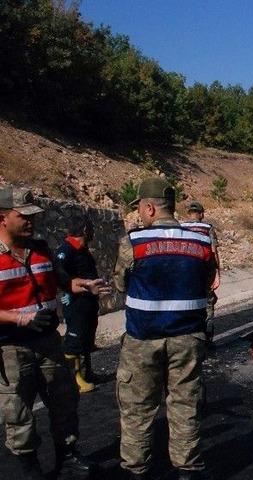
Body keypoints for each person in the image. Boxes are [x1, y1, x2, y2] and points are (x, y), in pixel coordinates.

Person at [0, 187, 107, 479]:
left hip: (48, 342)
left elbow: (63, 282)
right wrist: (19, 319)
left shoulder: (41, 249)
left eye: (33, 216)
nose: (31, 222)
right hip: (11, 348)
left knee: (64, 401)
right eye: (23, 216)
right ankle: (30, 469)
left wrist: (83, 285)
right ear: (2, 218)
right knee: (18, 413)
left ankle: (68, 458)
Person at [113, 178, 216, 480]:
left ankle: (137, 470)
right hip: (187, 338)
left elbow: (120, 284)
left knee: (138, 410)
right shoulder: (201, 242)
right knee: (186, 407)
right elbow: (206, 282)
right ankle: (187, 470)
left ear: (148, 207)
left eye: (139, 210)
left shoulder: (133, 242)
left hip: (143, 340)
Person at [56, 215, 104, 393]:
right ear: (85, 230)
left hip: (88, 302)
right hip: (76, 303)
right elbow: (59, 274)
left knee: (86, 338)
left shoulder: (83, 250)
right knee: (74, 341)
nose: (93, 232)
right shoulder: (66, 249)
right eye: (91, 228)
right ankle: (74, 379)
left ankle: (86, 372)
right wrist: (82, 284)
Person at [181, 201, 220, 345]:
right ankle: (207, 337)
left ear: (188, 213)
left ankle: (188, 336)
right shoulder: (207, 228)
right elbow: (214, 252)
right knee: (208, 304)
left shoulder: (181, 227)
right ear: (202, 214)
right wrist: (217, 273)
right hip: (204, 272)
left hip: (185, 273)